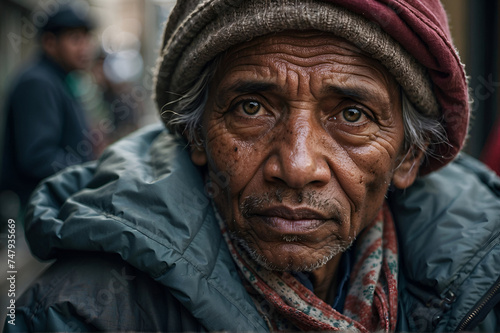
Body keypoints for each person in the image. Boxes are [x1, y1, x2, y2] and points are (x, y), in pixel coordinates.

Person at [5, 0, 500, 332]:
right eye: (251, 108)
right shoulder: (81, 314)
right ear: (197, 136)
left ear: (407, 157)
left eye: (352, 114)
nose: (298, 165)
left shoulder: (485, 289)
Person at [0, 4, 94, 211]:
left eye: (86, 38)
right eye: (75, 39)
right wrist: (90, 174)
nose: (84, 47)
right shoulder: (38, 82)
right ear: (50, 43)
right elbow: (38, 157)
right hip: (34, 210)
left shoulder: (59, 80)